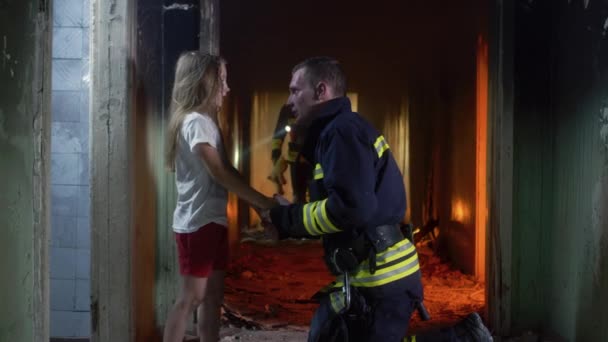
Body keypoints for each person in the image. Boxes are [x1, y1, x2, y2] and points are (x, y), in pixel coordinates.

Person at [261, 57, 493, 342]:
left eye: (296, 90)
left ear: (322, 91)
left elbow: (351, 208)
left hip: (381, 278)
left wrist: (286, 220)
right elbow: (342, 207)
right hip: (372, 274)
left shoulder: (341, 133)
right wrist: (292, 214)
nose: (290, 100)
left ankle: (463, 338)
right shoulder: (337, 132)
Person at [163, 51, 275, 342]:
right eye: (221, 81)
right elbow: (218, 172)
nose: (226, 88)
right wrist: (263, 203)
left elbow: (228, 170)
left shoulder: (208, 123)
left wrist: (262, 206)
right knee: (192, 298)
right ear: (204, 82)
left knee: (213, 298)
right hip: (197, 222)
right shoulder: (195, 122)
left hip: (213, 220)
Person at [268, 103, 312, 203]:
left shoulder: (319, 107)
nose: (291, 98)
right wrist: (276, 159)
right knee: (298, 196)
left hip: (314, 161)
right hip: (295, 160)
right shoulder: (288, 109)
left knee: (315, 196)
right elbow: (278, 136)